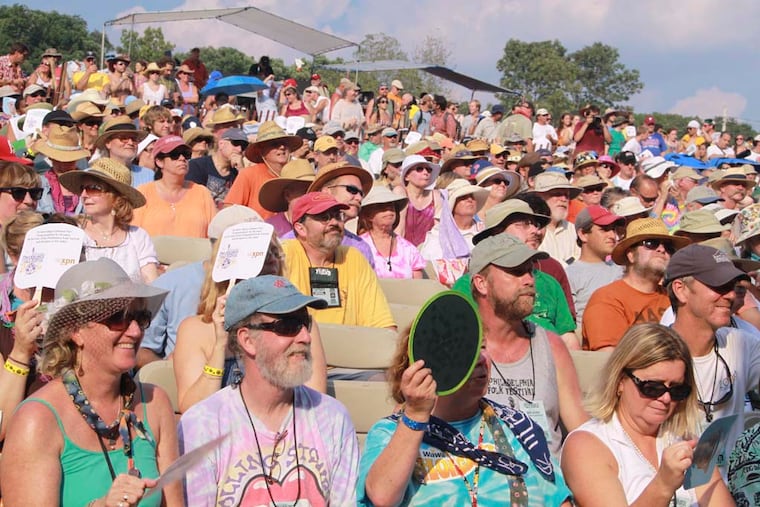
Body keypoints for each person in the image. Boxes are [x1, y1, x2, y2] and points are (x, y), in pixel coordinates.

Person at [0, 258, 182, 506]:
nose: (135, 331)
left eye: (140, 318)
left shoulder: (154, 402)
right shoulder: (37, 420)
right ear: (76, 331)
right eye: (118, 317)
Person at [178, 275, 359, 505]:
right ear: (247, 340)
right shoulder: (203, 425)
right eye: (288, 326)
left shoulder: (332, 418)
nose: (305, 337)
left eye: (305, 323)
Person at [357, 327, 573, 506]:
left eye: (482, 347)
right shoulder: (390, 432)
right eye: (465, 349)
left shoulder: (519, 428)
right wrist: (416, 414)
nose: (480, 359)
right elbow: (382, 497)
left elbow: (558, 499)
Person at [561, 323, 733, 506]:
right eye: (653, 387)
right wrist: (663, 486)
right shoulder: (587, 445)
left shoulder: (687, 441)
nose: (666, 398)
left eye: (677, 390)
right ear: (620, 381)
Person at [173, 231, 327, 413]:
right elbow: (193, 410)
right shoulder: (195, 329)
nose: (271, 259)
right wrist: (220, 346)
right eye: (260, 253)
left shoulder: (300, 325)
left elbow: (314, 404)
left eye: (274, 252)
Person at [467, 233, 588, 456]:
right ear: (481, 283)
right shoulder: (459, 347)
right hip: (482, 480)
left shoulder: (552, 345)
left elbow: (582, 430)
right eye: (516, 272)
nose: (529, 280)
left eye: (529, 270)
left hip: (549, 484)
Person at [667, 243, 760, 456]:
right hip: (673, 484)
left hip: (732, 485)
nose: (729, 295)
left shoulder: (741, 344)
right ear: (681, 290)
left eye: (731, 286)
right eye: (718, 285)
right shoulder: (651, 353)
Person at [281, 192, 395, 328]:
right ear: (301, 228)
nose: (334, 222)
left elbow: (382, 324)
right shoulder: (284, 255)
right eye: (324, 217)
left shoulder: (353, 258)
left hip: (350, 347)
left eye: (337, 216)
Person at [583, 218, 689, 350]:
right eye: (651, 243)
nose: (662, 250)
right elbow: (610, 358)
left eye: (668, 247)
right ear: (631, 255)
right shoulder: (607, 298)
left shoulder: (675, 297)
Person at [59, 157, 159, 283]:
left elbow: (151, 283)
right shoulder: (73, 234)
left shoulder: (138, 237)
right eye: (82, 188)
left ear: (116, 196)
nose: (84, 195)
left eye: (93, 188)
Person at [0, 210, 46, 440]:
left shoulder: (72, 304)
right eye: (34, 254)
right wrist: (20, 350)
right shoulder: (2, 316)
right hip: (19, 436)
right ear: (13, 256)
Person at [132, 135, 216, 238]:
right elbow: (134, 235)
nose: (182, 158)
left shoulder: (202, 193)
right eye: (174, 155)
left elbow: (214, 235)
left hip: (195, 254)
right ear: (159, 161)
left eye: (186, 154)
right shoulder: (143, 192)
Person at [224, 121, 301, 219]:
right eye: (275, 144)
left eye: (284, 143)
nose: (281, 147)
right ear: (262, 151)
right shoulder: (249, 175)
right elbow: (229, 210)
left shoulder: (298, 174)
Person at [565, 205, 625, 331]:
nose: (612, 235)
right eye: (604, 229)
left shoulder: (623, 269)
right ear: (583, 235)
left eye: (613, 229)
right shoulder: (570, 275)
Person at [358, 185, 426, 279]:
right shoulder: (358, 245)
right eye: (382, 207)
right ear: (369, 215)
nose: (389, 210)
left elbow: (419, 286)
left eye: (392, 207)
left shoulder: (409, 250)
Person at [32, 124, 90, 216]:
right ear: (51, 158)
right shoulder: (38, 184)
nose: (64, 165)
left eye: (69, 161)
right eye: (58, 160)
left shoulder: (88, 185)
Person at [186, 127, 246, 208]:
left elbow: (243, 203)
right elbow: (191, 201)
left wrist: (242, 172)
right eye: (235, 143)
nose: (239, 149)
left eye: (244, 146)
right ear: (221, 144)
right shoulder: (197, 166)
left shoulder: (239, 173)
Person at [395, 154, 443, 247]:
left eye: (428, 170)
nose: (426, 173)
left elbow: (438, 231)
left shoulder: (436, 195)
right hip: (404, 250)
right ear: (406, 176)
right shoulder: (400, 192)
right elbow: (399, 230)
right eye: (419, 169)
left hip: (429, 251)